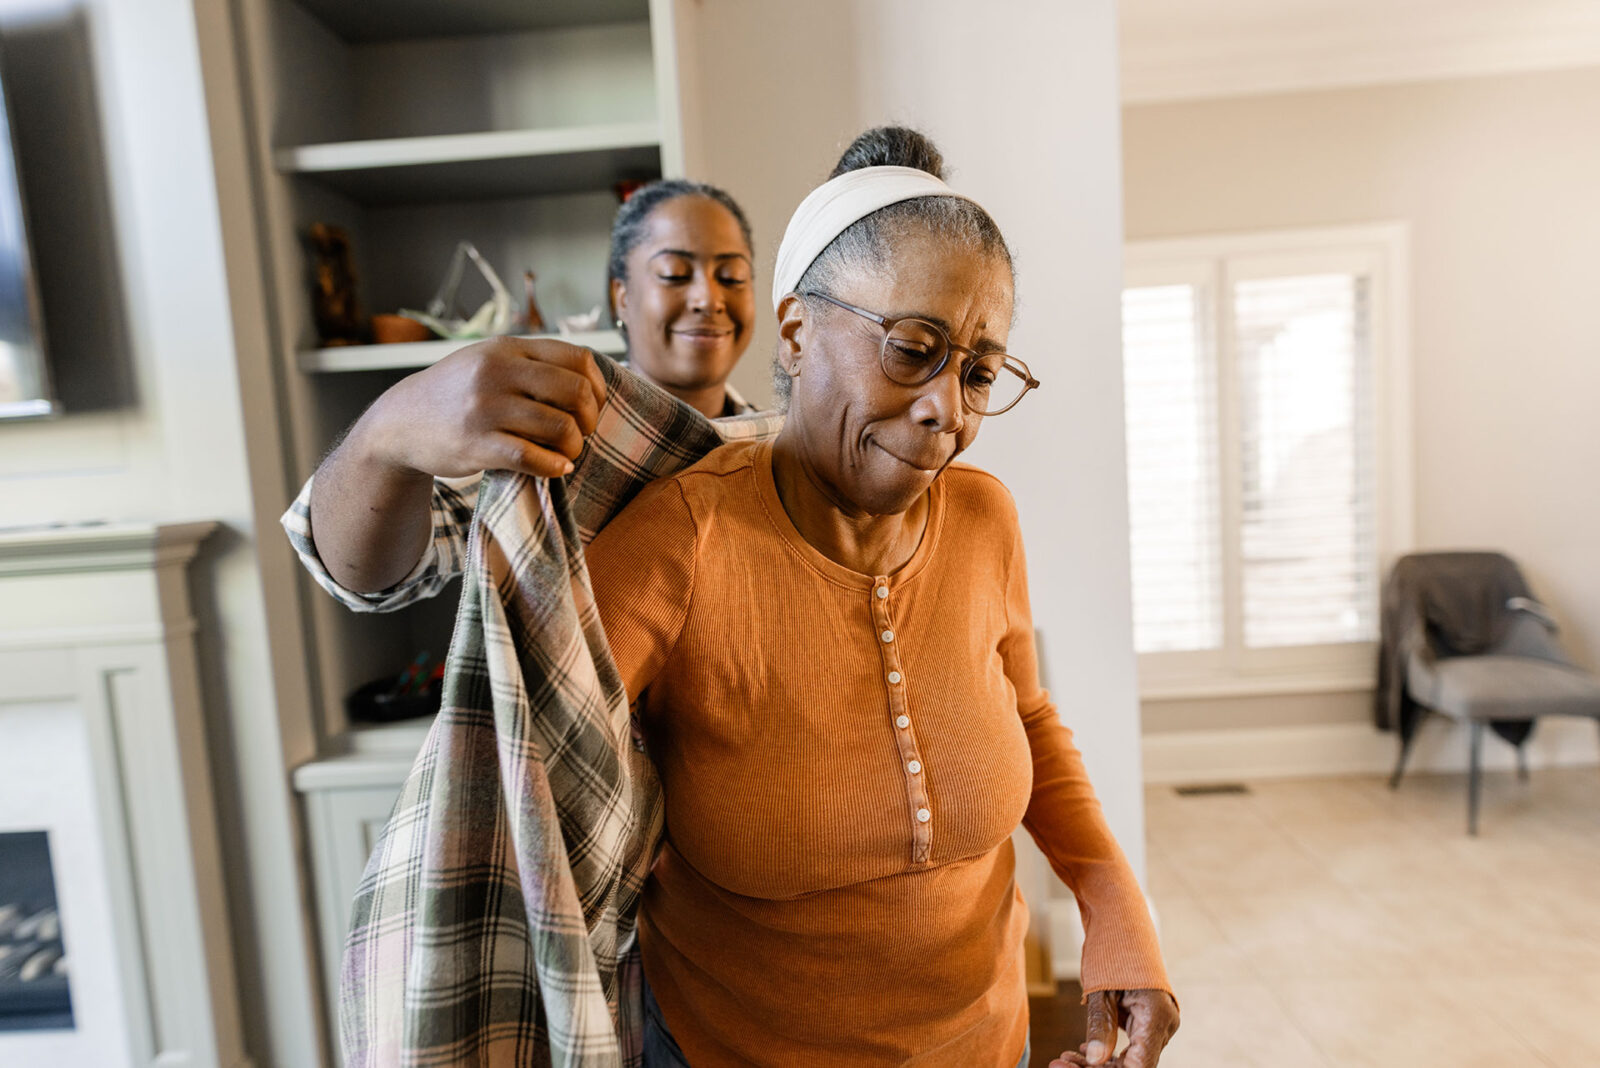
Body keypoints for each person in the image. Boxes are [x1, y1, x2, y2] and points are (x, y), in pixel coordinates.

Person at [292, 128, 1178, 1067]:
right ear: (798, 331)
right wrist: (391, 430)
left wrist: (1117, 911)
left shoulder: (982, 518)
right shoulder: (673, 533)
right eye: (914, 350)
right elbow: (516, 784)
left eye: (979, 373)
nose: (948, 412)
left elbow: (1027, 713)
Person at [302, 178, 759, 599]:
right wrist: (386, 435)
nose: (708, 298)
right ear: (622, 295)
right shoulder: (554, 432)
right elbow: (365, 576)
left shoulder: (777, 451)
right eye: (675, 274)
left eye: (732, 277)